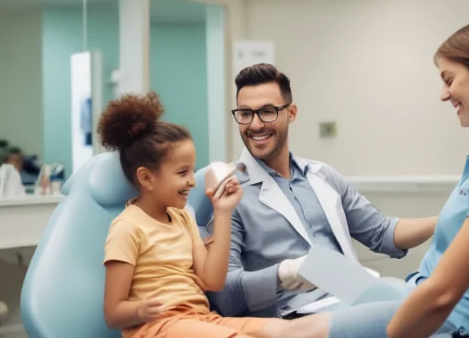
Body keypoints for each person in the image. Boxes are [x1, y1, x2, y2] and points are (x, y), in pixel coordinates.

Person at [299, 19, 469, 338]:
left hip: (463, 321)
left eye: (449, 79)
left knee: (292, 332)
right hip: (433, 300)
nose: (444, 94)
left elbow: (443, 295)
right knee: (293, 321)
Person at [208, 63, 438, 318]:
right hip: (298, 315)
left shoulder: (322, 176)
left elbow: (382, 232)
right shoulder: (228, 194)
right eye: (245, 113)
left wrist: (445, 220)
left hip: (354, 294)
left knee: (437, 300)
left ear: (291, 113)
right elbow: (224, 294)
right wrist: (286, 273)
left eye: (267, 112)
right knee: (420, 313)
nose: (255, 124)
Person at [99, 92, 326, 338]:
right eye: (182, 172)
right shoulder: (127, 227)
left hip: (200, 319)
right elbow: (113, 313)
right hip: (157, 327)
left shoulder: (183, 218)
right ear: (146, 177)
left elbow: (213, 281)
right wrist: (140, 310)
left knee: (294, 331)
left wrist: (223, 211)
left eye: (192, 170)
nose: (191, 181)